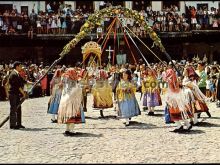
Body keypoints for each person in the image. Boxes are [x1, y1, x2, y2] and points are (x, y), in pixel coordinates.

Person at [57, 68, 85, 136]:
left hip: (64, 98)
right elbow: (75, 89)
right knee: (72, 113)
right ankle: (71, 130)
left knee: (67, 114)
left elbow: (62, 86)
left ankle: (67, 129)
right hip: (72, 99)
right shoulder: (73, 80)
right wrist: (80, 87)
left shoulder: (64, 78)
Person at [8, 61, 27, 129]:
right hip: (13, 94)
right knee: (13, 109)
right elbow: (18, 86)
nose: (21, 67)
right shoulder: (13, 74)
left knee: (18, 108)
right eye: (20, 66)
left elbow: (24, 81)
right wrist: (23, 94)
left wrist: (33, 83)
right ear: (17, 66)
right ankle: (12, 125)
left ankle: (19, 123)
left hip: (16, 94)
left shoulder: (17, 74)